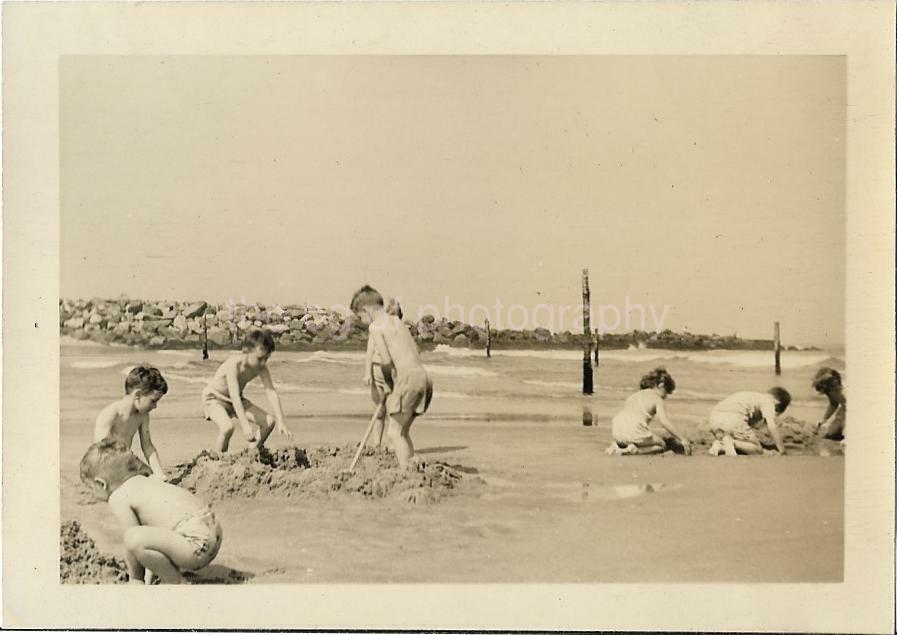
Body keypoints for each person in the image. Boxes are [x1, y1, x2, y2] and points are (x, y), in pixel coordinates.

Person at [80, 438, 223, 584]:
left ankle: (177, 583)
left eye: (91, 489)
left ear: (100, 484)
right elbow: (152, 543)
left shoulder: (118, 497)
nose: (92, 494)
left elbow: (133, 544)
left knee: (132, 537)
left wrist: (136, 578)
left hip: (195, 543)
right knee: (144, 537)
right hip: (212, 531)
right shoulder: (147, 481)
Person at [351, 286, 432, 469]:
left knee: (394, 433)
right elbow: (412, 350)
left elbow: (386, 360)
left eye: (360, 317)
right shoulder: (396, 320)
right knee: (402, 432)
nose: (362, 322)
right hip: (423, 377)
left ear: (366, 310)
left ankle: (406, 473)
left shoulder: (375, 327)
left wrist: (389, 384)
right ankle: (411, 466)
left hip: (408, 379)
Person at [202, 329, 292, 453]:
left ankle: (251, 452)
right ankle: (218, 460)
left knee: (270, 422)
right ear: (246, 351)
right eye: (260, 358)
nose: (263, 363)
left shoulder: (261, 368)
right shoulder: (234, 365)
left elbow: (271, 392)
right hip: (214, 398)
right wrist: (245, 425)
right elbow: (234, 396)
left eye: (266, 358)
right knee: (227, 428)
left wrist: (281, 421)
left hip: (236, 400)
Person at [94, 365, 169, 480]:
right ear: (137, 395)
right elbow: (100, 449)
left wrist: (159, 473)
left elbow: (147, 445)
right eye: (153, 401)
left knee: (153, 477)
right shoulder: (110, 414)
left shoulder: (142, 416)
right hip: (106, 463)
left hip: (126, 461)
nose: (155, 406)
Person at [605, 367, 692, 455]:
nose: (665, 397)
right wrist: (682, 439)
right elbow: (664, 422)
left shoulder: (635, 395)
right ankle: (634, 451)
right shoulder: (657, 399)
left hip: (617, 431)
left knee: (639, 437)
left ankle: (618, 446)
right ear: (661, 385)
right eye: (666, 392)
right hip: (633, 431)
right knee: (661, 444)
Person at [362, 298, 403, 448]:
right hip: (377, 371)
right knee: (378, 411)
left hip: (394, 372)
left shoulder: (400, 330)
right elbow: (369, 352)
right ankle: (376, 444)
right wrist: (367, 373)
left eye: (395, 316)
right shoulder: (376, 328)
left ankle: (393, 444)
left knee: (393, 411)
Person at [707, 388, 791, 456]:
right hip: (734, 418)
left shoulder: (752, 396)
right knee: (757, 449)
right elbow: (772, 426)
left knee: (743, 445)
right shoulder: (768, 402)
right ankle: (728, 444)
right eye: (776, 411)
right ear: (777, 403)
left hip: (714, 418)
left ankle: (721, 443)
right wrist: (782, 450)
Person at [812, 367, 846, 441]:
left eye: (827, 392)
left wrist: (840, 420)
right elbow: (834, 403)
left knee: (835, 433)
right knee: (831, 433)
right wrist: (824, 419)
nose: (827, 395)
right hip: (845, 407)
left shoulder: (843, 391)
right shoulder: (835, 391)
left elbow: (844, 404)